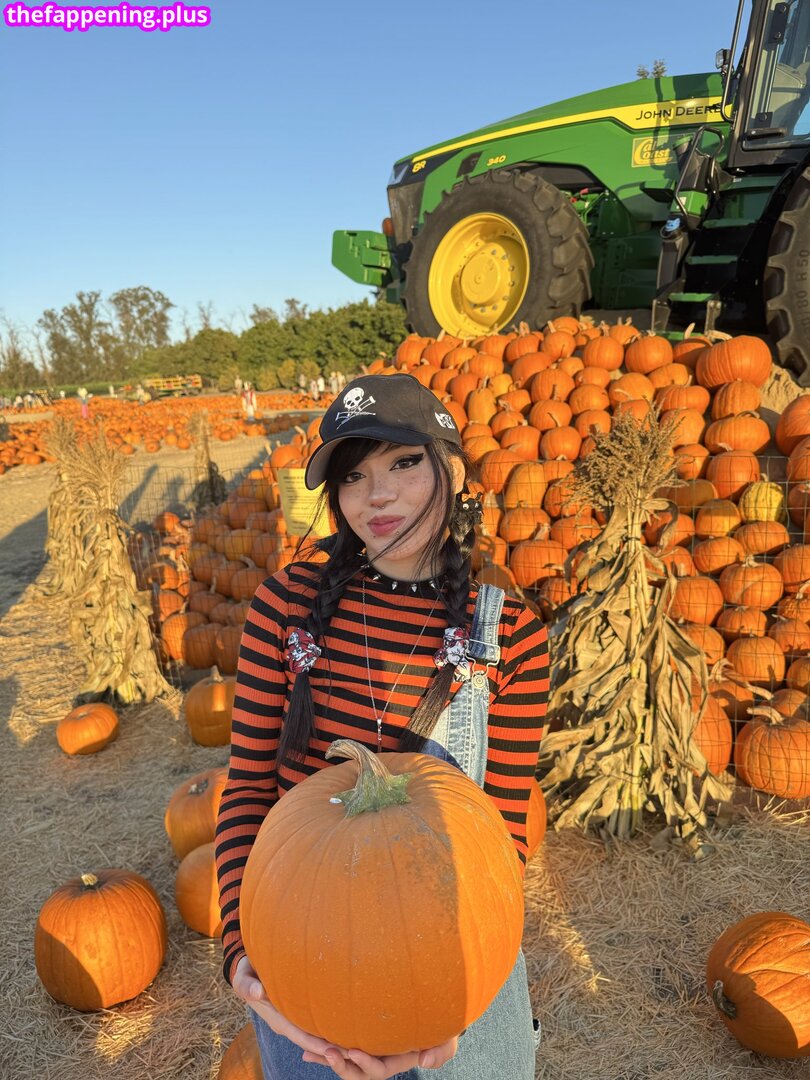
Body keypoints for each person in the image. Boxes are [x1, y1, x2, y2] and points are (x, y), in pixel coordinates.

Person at [215, 373, 549, 1080]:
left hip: (454, 959)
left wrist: (455, 995)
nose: (378, 496)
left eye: (404, 462)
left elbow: (505, 835)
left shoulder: (510, 636)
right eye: (353, 476)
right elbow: (247, 790)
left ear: (453, 469)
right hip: (307, 965)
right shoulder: (284, 608)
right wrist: (243, 952)